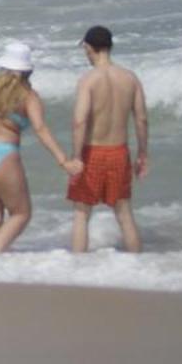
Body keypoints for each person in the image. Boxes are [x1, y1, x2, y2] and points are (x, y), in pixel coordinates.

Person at [0, 42, 81, 254]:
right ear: (28, 70)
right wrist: (63, 160)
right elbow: (40, 128)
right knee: (21, 214)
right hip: (2, 154)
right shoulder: (28, 96)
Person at [69, 26, 150, 254]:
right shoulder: (130, 78)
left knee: (81, 213)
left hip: (92, 151)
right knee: (124, 214)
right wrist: (142, 154)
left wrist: (76, 157)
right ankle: (137, 266)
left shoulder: (89, 80)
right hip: (119, 152)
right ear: (110, 47)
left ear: (88, 48)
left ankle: (76, 268)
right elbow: (142, 120)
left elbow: (79, 121)